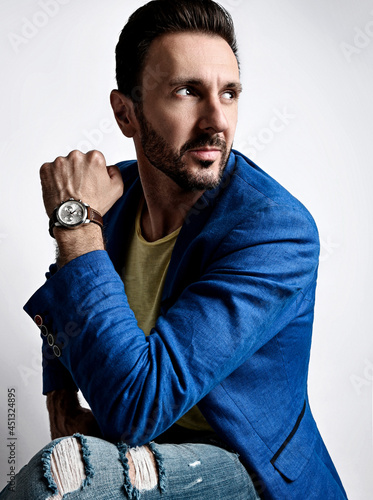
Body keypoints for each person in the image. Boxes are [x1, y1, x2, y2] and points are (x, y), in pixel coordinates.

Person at [0, 1, 347, 499]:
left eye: (229, 94)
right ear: (127, 113)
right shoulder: (113, 205)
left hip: (243, 467)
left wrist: (74, 225)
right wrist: (59, 392)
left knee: (58, 477)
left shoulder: (274, 231)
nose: (216, 121)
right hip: (149, 444)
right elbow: (68, 287)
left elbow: (136, 407)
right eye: (187, 91)